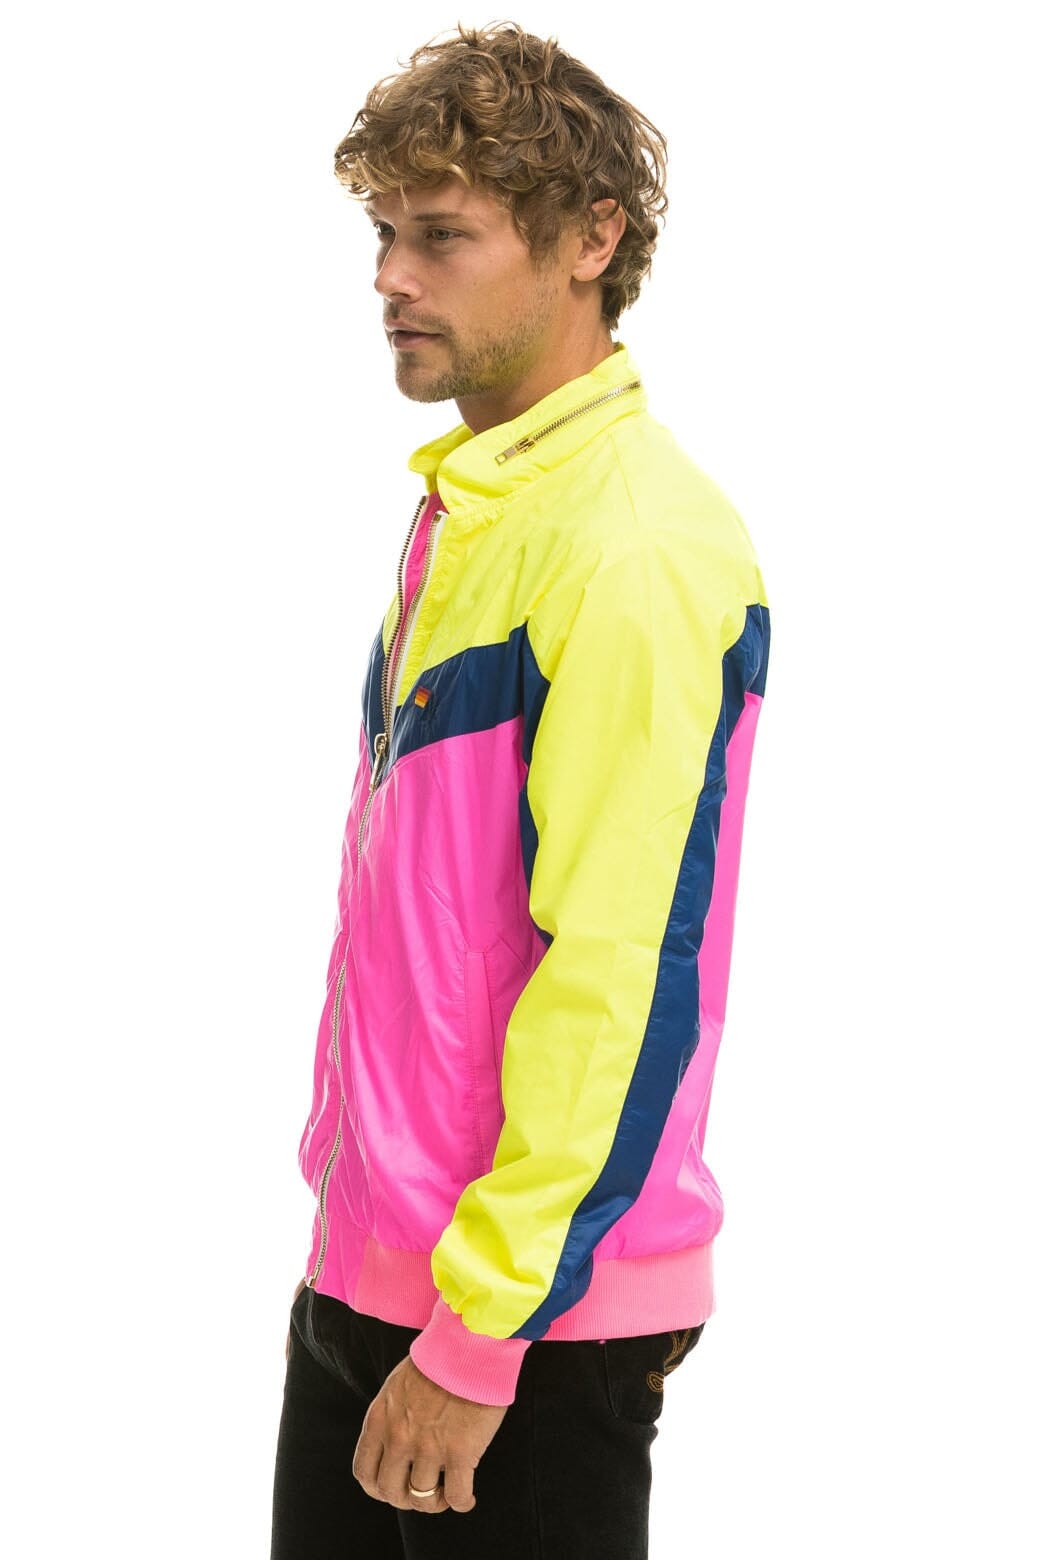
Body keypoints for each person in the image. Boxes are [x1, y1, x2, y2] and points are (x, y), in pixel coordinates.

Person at [270, 20, 772, 1560]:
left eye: (441, 235)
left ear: (589, 240)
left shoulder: (634, 547)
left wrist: (481, 1335)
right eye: (381, 232)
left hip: (522, 1336)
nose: (389, 277)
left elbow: (624, 975)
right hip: (373, 1281)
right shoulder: (483, 509)